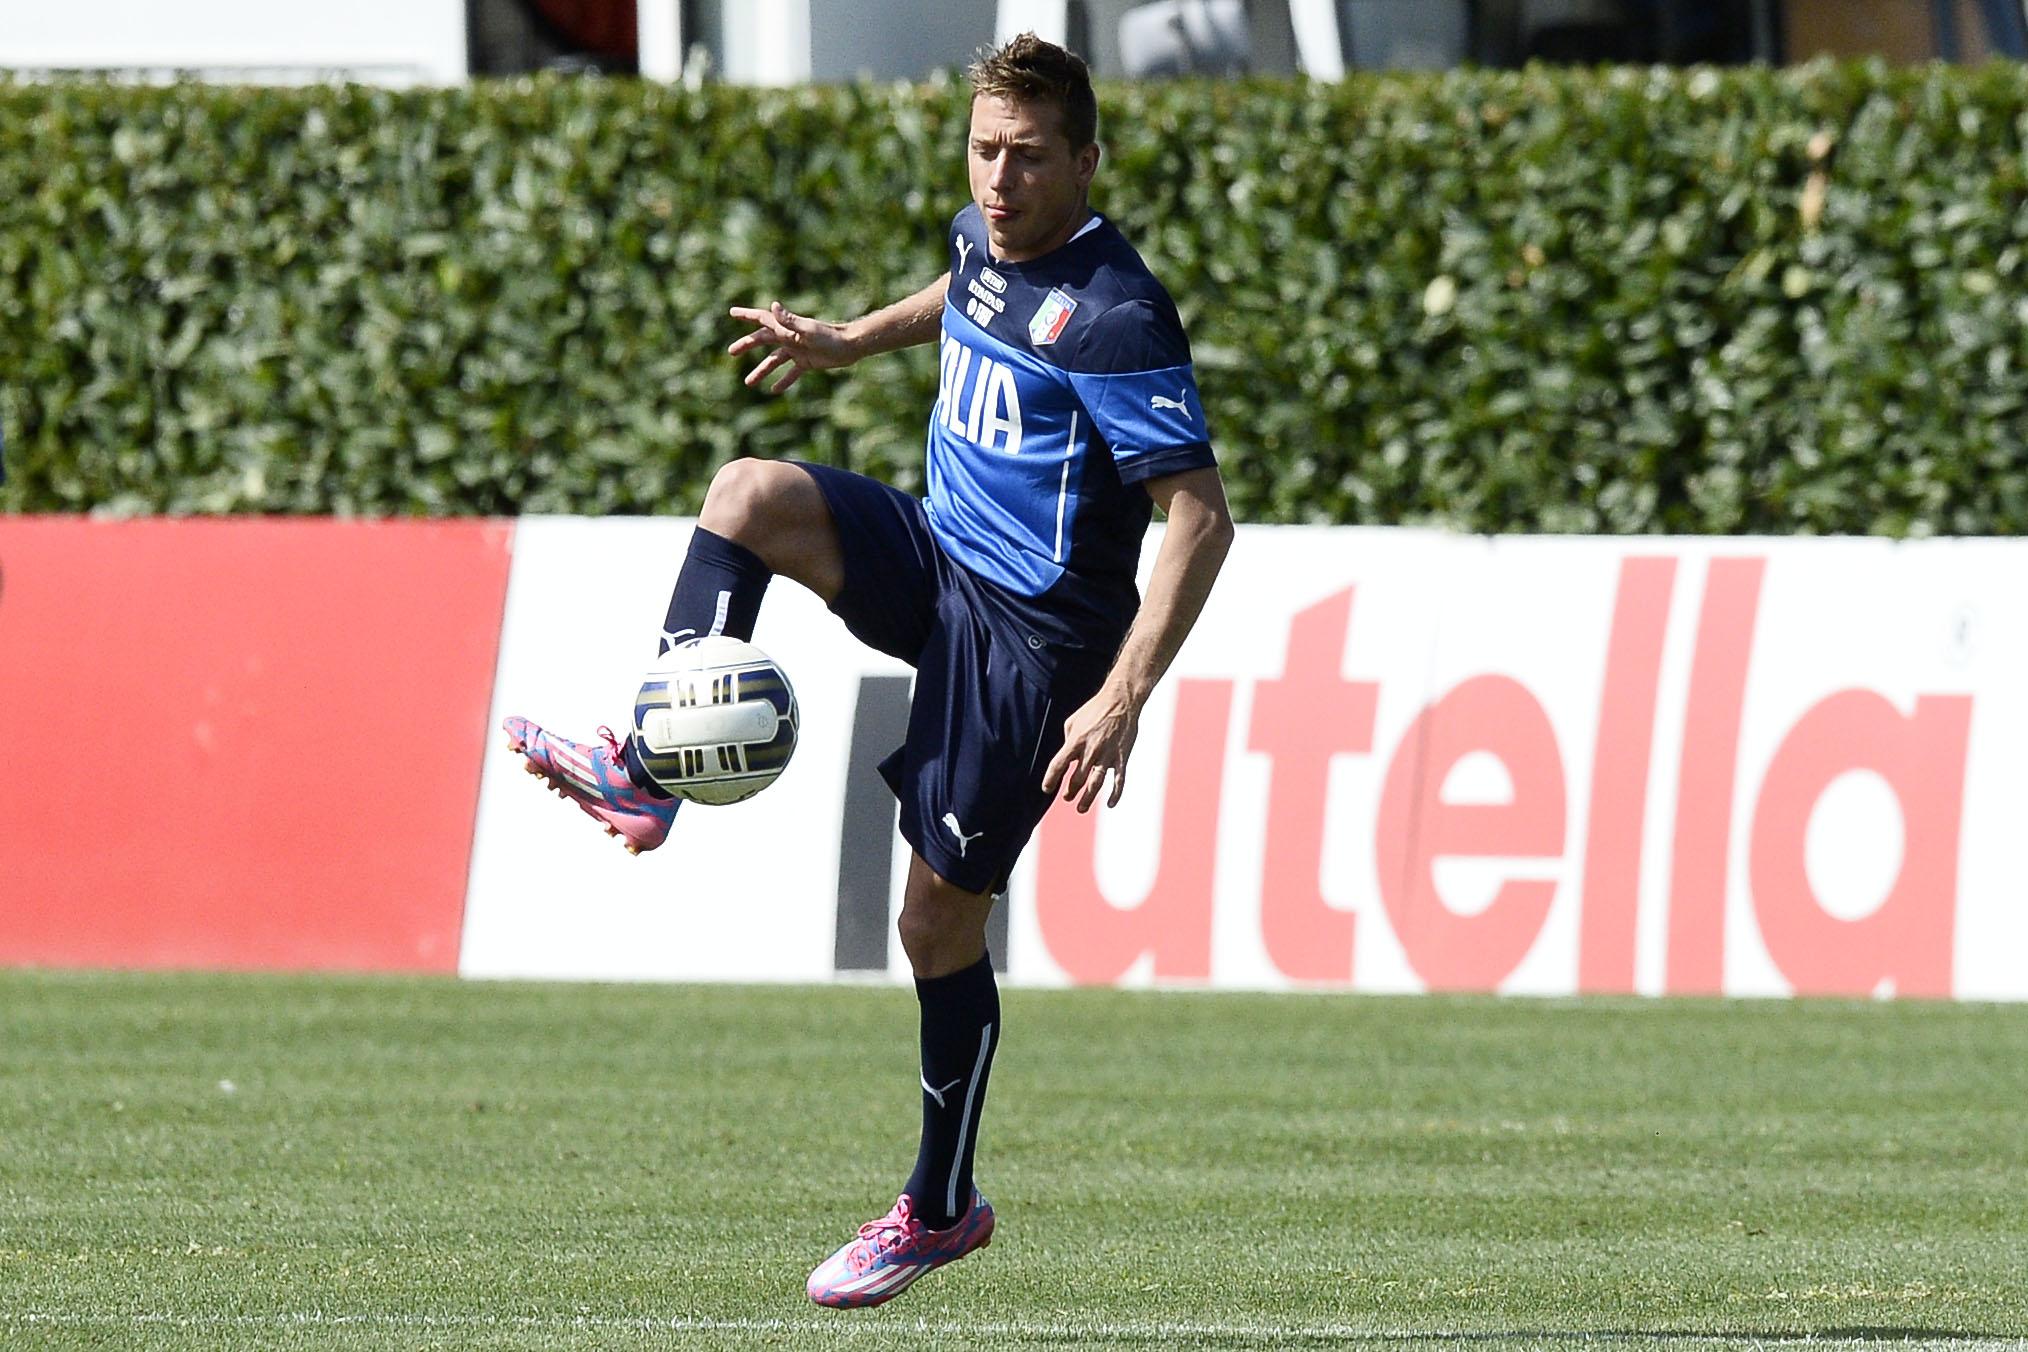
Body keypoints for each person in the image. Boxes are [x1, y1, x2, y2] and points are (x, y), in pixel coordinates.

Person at [503, 32, 1233, 1309]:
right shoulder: (981, 238)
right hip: (939, 557)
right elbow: (965, 296)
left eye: (1030, 157)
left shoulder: (1117, 311)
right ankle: (649, 769)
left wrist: (1119, 696)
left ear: (1088, 162)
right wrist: (848, 340)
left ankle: (939, 1208)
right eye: (985, 149)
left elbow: (1199, 516)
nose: (999, 181)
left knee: (932, 924)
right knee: (750, 493)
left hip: (1033, 641)